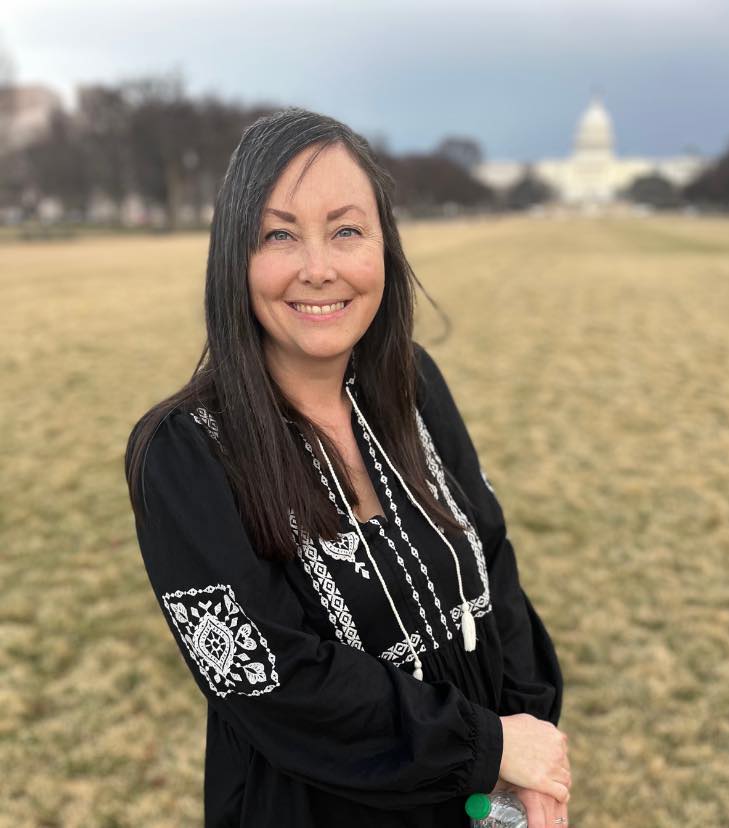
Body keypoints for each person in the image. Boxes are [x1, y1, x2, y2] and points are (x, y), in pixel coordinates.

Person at [124, 107, 571, 828]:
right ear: (235, 257)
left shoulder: (411, 384)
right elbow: (273, 684)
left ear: (383, 247)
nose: (318, 268)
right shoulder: (183, 453)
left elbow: (491, 561)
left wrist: (531, 745)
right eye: (278, 235)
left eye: (346, 231)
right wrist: (487, 746)